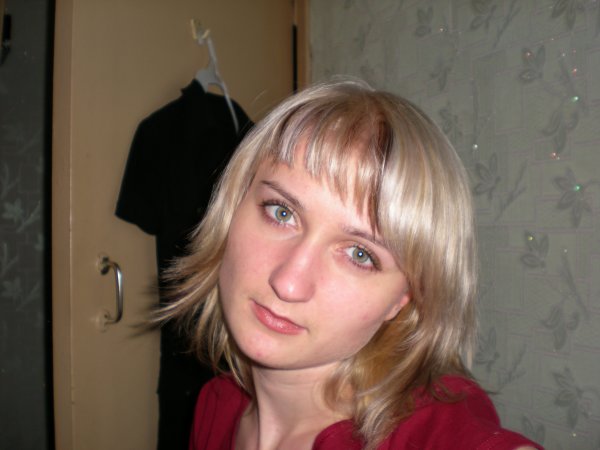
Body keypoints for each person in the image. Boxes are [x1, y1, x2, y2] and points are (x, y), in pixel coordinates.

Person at [159, 80, 542, 449]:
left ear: (403, 298)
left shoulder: (420, 434)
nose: (289, 283)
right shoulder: (216, 405)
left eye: (360, 254)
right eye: (281, 212)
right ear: (231, 208)